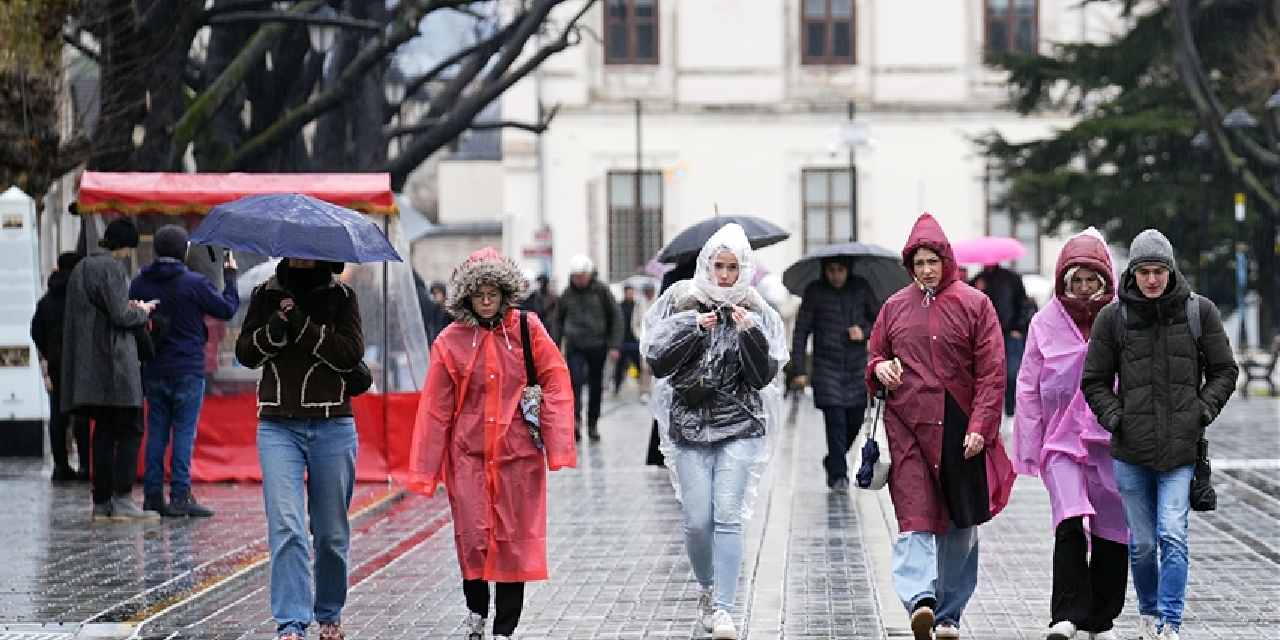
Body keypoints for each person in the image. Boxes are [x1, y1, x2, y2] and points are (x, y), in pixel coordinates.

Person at [404, 248, 576, 640]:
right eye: (478, 294)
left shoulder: (527, 330)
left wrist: (557, 440)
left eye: (493, 293)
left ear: (504, 293)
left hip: (517, 456)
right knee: (474, 537)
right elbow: (436, 408)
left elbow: (556, 379)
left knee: (513, 540)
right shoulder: (450, 342)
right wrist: (425, 469)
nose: (486, 301)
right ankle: (476, 612)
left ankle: (505, 628)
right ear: (466, 296)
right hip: (468, 457)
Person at [1081, 229, 1237, 640]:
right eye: (1145, 272)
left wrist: (1201, 411)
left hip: (1181, 450)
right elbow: (1094, 380)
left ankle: (1170, 622)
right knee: (1144, 545)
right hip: (1131, 450)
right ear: (1133, 273)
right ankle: (1149, 613)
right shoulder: (1113, 317)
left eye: (1159, 271)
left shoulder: (1198, 312)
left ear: (1171, 270)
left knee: (1173, 534)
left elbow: (1225, 370)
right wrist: (1117, 418)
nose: (1152, 280)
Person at [866, 213, 1015, 640]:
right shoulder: (894, 307)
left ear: (946, 261)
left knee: (960, 524)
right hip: (907, 425)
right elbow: (875, 356)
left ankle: (949, 613)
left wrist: (981, 426)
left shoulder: (975, 305)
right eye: (919, 263)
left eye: (933, 261)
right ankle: (920, 602)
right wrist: (881, 369)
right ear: (910, 266)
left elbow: (992, 372)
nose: (926, 270)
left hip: (959, 427)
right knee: (914, 517)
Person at [643, 223, 788, 640]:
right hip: (690, 426)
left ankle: (725, 609)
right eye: (718, 267)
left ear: (744, 270)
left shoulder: (756, 309)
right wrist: (693, 326)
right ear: (706, 265)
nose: (725, 276)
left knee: (727, 516)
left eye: (732, 268)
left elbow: (763, 377)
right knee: (696, 521)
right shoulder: (682, 300)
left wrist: (751, 335)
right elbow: (658, 361)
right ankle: (706, 589)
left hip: (740, 426)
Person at [234, 258, 365, 640]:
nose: (301, 257)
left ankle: (328, 614)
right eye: (293, 250)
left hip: (333, 424)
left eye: (308, 251)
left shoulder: (342, 298)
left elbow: (350, 353)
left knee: (330, 534)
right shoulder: (266, 295)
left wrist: (303, 327)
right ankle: (291, 622)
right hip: (278, 426)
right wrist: (275, 329)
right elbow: (246, 353)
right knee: (287, 526)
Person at [1013, 228, 1128, 640]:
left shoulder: (1121, 319)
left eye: (1090, 281)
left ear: (1104, 281)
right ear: (1064, 279)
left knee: (1114, 529)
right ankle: (1066, 613)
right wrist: (1028, 444)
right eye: (1075, 280)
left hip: (1112, 443)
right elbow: (1028, 384)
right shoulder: (1044, 323)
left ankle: (1102, 617)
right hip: (1060, 443)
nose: (1083, 289)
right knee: (1069, 520)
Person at [129, 225, 240, 518]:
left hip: (154, 367)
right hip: (188, 368)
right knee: (183, 434)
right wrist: (230, 277)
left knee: (156, 433)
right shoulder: (194, 283)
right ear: (185, 252)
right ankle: (180, 495)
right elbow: (227, 309)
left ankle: (153, 497)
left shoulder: (140, 283)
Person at [61, 218, 159, 520]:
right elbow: (120, 314)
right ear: (126, 247)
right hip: (115, 366)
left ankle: (101, 503)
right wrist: (141, 311)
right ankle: (123, 499)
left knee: (102, 433)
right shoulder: (112, 268)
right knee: (131, 428)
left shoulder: (81, 268)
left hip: (90, 368)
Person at [790, 257, 880, 492]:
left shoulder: (861, 288)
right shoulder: (815, 292)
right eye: (831, 270)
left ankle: (833, 460)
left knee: (855, 420)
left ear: (848, 270)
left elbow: (880, 320)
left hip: (857, 368)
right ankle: (838, 475)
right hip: (826, 368)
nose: (836, 275)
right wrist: (799, 369)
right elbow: (801, 332)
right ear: (824, 271)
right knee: (836, 420)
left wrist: (864, 331)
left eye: (840, 270)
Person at [30, 251, 90, 482]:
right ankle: (85, 465)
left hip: (57, 362)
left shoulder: (46, 300)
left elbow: (36, 331)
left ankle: (61, 466)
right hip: (81, 362)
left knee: (58, 413)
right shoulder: (82, 295)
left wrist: (49, 352)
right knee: (82, 414)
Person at [554, 255, 621, 440]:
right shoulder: (567, 294)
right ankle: (575, 420)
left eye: (583, 276)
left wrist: (614, 345)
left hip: (597, 345)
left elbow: (615, 317)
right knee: (574, 383)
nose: (580, 280)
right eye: (577, 276)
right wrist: (555, 346)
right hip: (575, 345)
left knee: (595, 386)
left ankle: (592, 423)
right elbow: (558, 322)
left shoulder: (601, 291)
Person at [972, 262, 1032, 417]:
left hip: (1009, 335)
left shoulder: (1011, 278)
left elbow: (1024, 305)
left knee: (1012, 374)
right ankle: (994, 413)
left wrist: (1018, 328)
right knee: (989, 377)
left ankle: (1011, 411)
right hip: (986, 337)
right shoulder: (978, 280)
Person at [613, 284, 644, 394]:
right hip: (622, 341)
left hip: (635, 340)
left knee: (638, 365)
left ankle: (641, 386)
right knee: (619, 367)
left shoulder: (637, 306)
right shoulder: (619, 306)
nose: (630, 294)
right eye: (628, 292)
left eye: (632, 292)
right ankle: (617, 386)